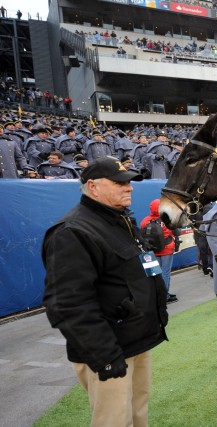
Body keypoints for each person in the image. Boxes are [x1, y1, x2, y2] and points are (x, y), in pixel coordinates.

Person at [42, 156, 168, 426]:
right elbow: (67, 305)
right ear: (93, 186)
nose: (129, 187)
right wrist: (105, 356)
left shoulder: (119, 220)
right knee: (113, 421)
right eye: (120, 182)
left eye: (130, 182)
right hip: (110, 351)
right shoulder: (73, 231)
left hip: (136, 341)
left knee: (137, 415)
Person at [140, 199, 179, 303]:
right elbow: (176, 231)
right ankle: (164, 296)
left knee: (154, 274)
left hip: (152, 251)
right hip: (167, 250)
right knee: (165, 273)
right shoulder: (167, 220)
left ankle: (157, 295)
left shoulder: (145, 221)